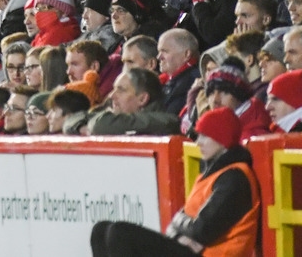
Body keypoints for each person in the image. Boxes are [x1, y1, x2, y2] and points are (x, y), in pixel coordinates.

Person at [89, 107, 257, 257]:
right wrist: (180, 226)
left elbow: (202, 231)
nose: (198, 142)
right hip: (191, 249)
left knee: (120, 233)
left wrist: (180, 221)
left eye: (205, 137)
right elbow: (182, 223)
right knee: (101, 230)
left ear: (223, 139)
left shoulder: (234, 178)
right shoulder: (215, 171)